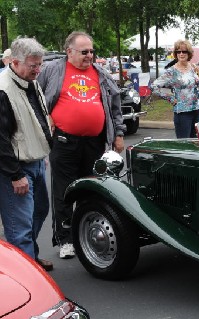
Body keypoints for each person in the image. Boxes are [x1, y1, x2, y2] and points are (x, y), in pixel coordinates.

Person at [37, 31, 125, 260]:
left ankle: (87, 234)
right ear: (69, 52)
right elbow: (35, 97)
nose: (89, 56)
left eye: (91, 51)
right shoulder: (53, 70)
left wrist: (118, 135)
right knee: (64, 192)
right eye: (84, 52)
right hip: (65, 141)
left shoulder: (100, 73)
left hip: (94, 142)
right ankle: (65, 240)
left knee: (92, 190)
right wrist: (46, 118)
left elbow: (115, 107)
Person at [0, 38, 53, 270]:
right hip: (17, 169)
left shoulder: (29, 80)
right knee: (19, 227)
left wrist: (41, 154)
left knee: (40, 210)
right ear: (15, 62)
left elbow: (36, 120)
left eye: (39, 64)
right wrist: (14, 174)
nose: (38, 70)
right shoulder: (3, 89)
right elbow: (0, 140)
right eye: (33, 65)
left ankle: (29, 261)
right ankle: (28, 277)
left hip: (35, 162)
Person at [151, 39, 199, 139]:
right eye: (178, 51)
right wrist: (169, 98)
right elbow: (153, 86)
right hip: (183, 113)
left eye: (184, 51)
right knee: (185, 145)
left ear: (189, 53)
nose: (181, 54)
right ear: (175, 54)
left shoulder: (194, 67)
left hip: (197, 110)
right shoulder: (172, 71)